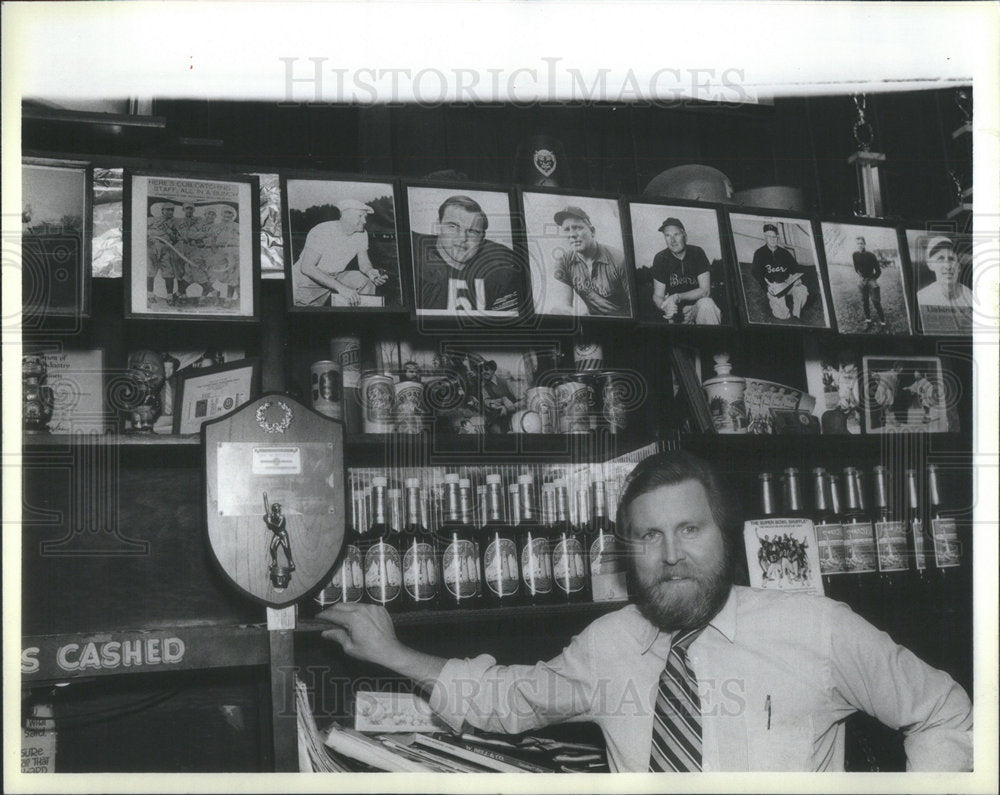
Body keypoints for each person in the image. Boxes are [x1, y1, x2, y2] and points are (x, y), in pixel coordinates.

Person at [319, 451, 972, 772]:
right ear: (628, 551)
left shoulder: (817, 627)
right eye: (650, 536)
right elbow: (508, 698)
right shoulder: (607, 645)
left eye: (689, 530)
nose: (672, 555)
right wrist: (390, 651)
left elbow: (943, 710)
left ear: (726, 534)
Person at [412, 195, 522, 314]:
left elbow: (509, 327)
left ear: (482, 237)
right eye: (453, 227)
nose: (462, 238)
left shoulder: (501, 265)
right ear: (438, 226)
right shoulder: (412, 252)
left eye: (473, 232)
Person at [293, 199, 387, 307]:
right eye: (360, 216)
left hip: (335, 276)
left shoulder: (361, 234)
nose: (365, 221)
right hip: (307, 280)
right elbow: (307, 267)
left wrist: (371, 272)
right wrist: (342, 288)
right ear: (346, 216)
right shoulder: (322, 231)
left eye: (365, 217)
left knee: (365, 280)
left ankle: (360, 317)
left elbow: (364, 263)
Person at [550, 206, 631, 317]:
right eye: (566, 230)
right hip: (592, 323)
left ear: (592, 231)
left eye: (577, 228)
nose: (572, 235)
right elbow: (564, 305)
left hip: (622, 323)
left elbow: (636, 307)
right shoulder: (563, 262)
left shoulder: (619, 259)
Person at [650, 217, 722, 325]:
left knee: (707, 304)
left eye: (676, 234)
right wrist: (665, 307)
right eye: (667, 236)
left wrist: (677, 297)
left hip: (698, 309)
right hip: (676, 315)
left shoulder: (697, 253)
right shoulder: (661, 258)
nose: (672, 240)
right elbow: (658, 295)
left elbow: (705, 290)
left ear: (684, 236)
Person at [751, 223, 810, 320]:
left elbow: (795, 267)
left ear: (777, 237)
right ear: (765, 237)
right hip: (774, 287)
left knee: (803, 290)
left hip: (788, 284)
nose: (772, 239)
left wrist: (797, 279)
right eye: (769, 237)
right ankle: (785, 315)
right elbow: (755, 272)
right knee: (782, 316)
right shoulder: (759, 253)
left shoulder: (784, 252)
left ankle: (796, 314)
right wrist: (766, 287)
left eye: (774, 236)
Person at [916, 236, 973, 333]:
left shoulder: (971, 297)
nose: (947, 266)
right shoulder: (920, 298)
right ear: (930, 265)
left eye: (951, 259)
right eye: (940, 259)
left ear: (959, 266)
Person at [146, 203, 182, 303]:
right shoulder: (152, 220)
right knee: (150, 270)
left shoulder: (174, 223)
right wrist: (147, 238)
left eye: (172, 210)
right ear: (162, 211)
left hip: (166, 248)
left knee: (169, 272)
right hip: (152, 247)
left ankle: (169, 297)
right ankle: (150, 295)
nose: (170, 212)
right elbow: (141, 230)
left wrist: (171, 233)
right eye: (168, 210)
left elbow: (176, 240)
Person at [852, 236, 888, 331]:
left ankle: (883, 322)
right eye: (858, 243)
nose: (860, 245)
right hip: (862, 280)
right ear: (856, 244)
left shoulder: (871, 255)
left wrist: (872, 279)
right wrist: (861, 277)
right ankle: (868, 321)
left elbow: (878, 271)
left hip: (871, 279)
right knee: (864, 301)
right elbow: (856, 268)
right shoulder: (854, 255)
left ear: (864, 244)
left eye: (861, 243)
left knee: (876, 302)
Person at [479, 359, 519, 433]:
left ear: (493, 370)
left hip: (515, 416)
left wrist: (509, 408)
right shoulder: (483, 386)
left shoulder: (505, 382)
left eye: (486, 369)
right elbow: (486, 401)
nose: (484, 372)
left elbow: (522, 400)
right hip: (497, 418)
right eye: (482, 370)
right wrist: (500, 403)